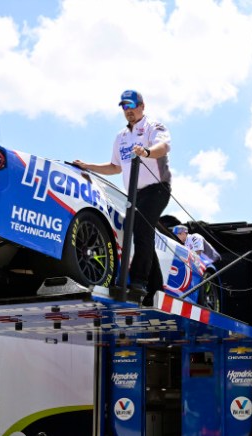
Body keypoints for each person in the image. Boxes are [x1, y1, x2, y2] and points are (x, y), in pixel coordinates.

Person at [74, 90, 172, 304]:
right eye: (124, 107)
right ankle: (155, 286)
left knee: (141, 229)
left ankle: (138, 282)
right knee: (135, 231)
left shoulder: (153, 126)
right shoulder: (121, 136)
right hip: (134, 194)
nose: (128, 110)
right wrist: (87, 166)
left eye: (131, 105)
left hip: (157, 188)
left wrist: (146, 152)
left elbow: (163, 147)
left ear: (142, 106)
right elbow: (115, 167)